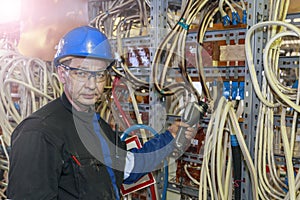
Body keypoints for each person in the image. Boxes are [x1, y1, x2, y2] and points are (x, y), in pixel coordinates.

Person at [7, 26, 196, 199]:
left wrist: (169, 139)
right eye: (81, 73)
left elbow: (127, 167)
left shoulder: (97, 126)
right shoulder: (39, 133)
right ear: (62, 74)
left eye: (99, 74)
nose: (92, 85)